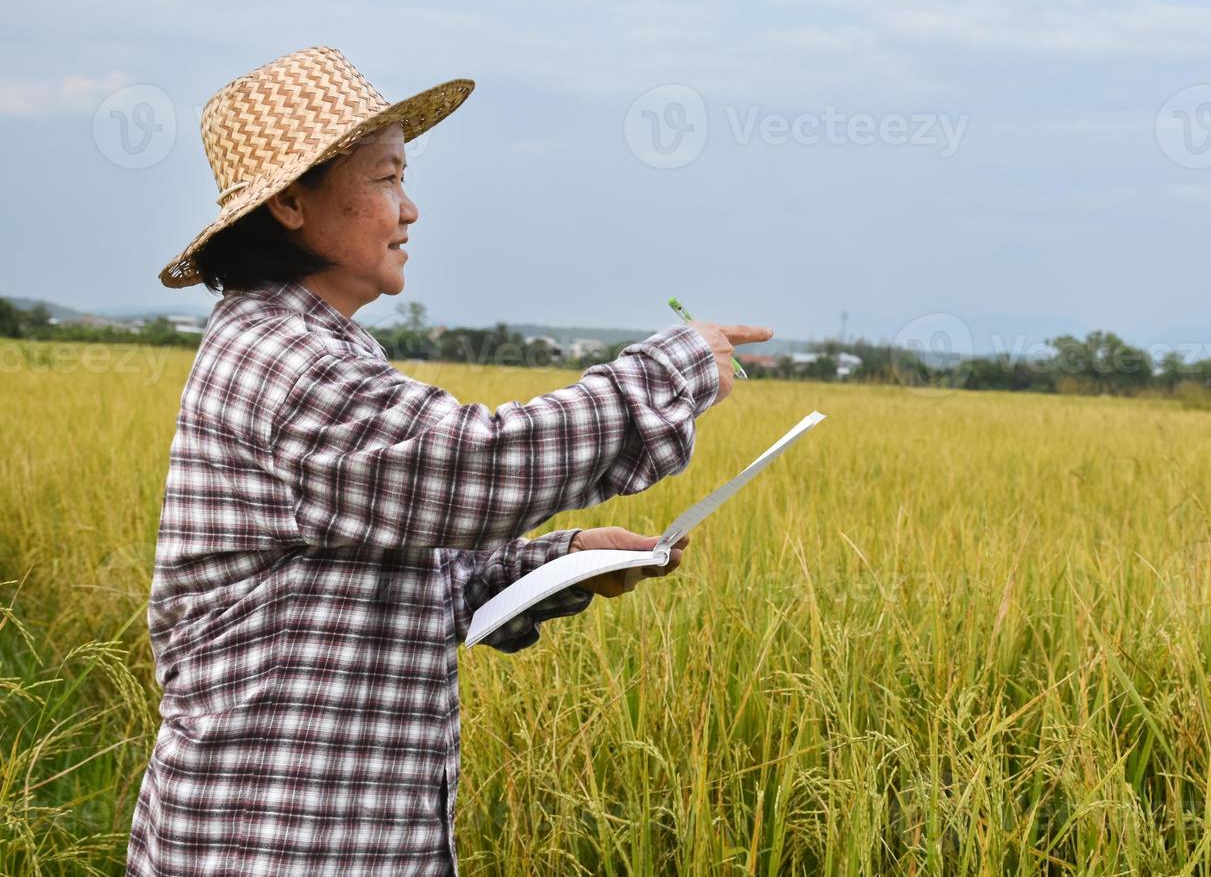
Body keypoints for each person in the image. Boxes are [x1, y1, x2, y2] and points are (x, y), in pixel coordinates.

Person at [126, 45, 772, 875]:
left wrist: (560, 563)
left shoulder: (317, 347)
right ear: (290, 201)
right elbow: (477, 466)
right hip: (271, 849)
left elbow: (403, 566)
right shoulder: (286, 362)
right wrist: (671, 371)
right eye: (387, 178)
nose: (411, 209)